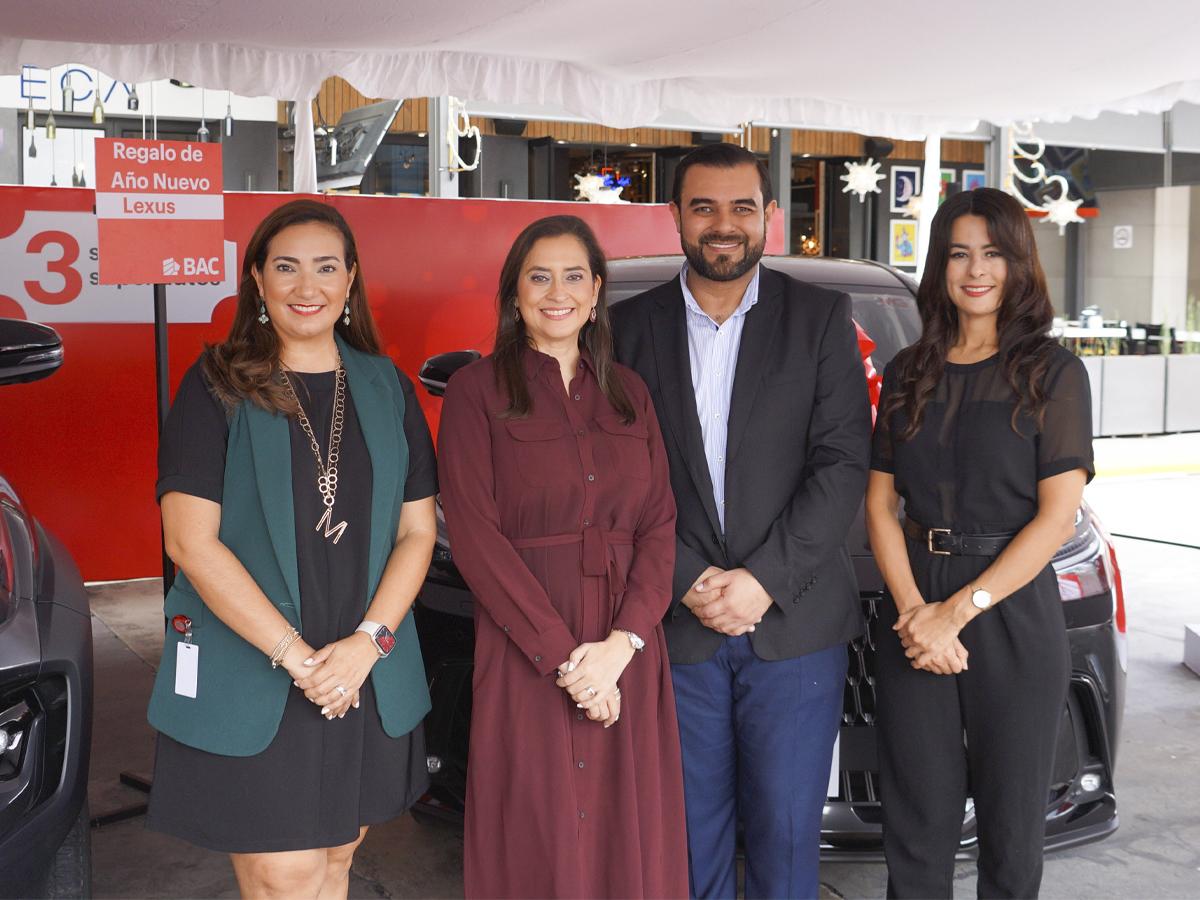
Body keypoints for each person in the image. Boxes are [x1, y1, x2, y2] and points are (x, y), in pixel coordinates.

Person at [145, 199, 438, 899]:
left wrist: (369, 644)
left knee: (336, 856)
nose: (307, 286)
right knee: (285, 875)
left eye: (325, 267)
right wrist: (299, 660)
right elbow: (189, 540)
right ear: (256, 279)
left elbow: (417, 531)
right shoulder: (214, 384)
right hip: (261, 667)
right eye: (286, 267)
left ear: (350, 281)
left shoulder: (385, 386)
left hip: (362, 667)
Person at [611, 143, 872, 899]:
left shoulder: (820, 318)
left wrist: (762, 580)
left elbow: (841, 463)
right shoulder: (626, 329)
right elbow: (617, 474)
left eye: (742, 207)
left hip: (792, 625)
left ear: (771, 218)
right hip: (673, 623)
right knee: (689, 837)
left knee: (788, 837)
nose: (723, 225)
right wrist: (688, 577)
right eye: (704, 207)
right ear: (676, 217)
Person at [437, 215, 688, 898]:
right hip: (526, 647)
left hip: (625, 648)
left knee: (626, 835)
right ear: (514, 294)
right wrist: (568, 660)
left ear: (596, 290)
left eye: (574, 275)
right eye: (539, 276)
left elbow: (660, 525)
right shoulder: (475, 393)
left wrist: (619, 647)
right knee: (536, 828)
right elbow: (475, 535)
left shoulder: (631, 394)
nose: (557, 292)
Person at [865, 187, 1093, 898]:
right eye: (960, 253)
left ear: (1018, 263)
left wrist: (956, 612)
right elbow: (879, 504)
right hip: (912, 611)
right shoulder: (908, 373)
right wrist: (914, 614)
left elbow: (1056, 518)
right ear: (940, 265)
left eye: (992, 253)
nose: (976, 270)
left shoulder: (1053, 373)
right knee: (917, 823)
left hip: (1012, 609)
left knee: (1011, 828)